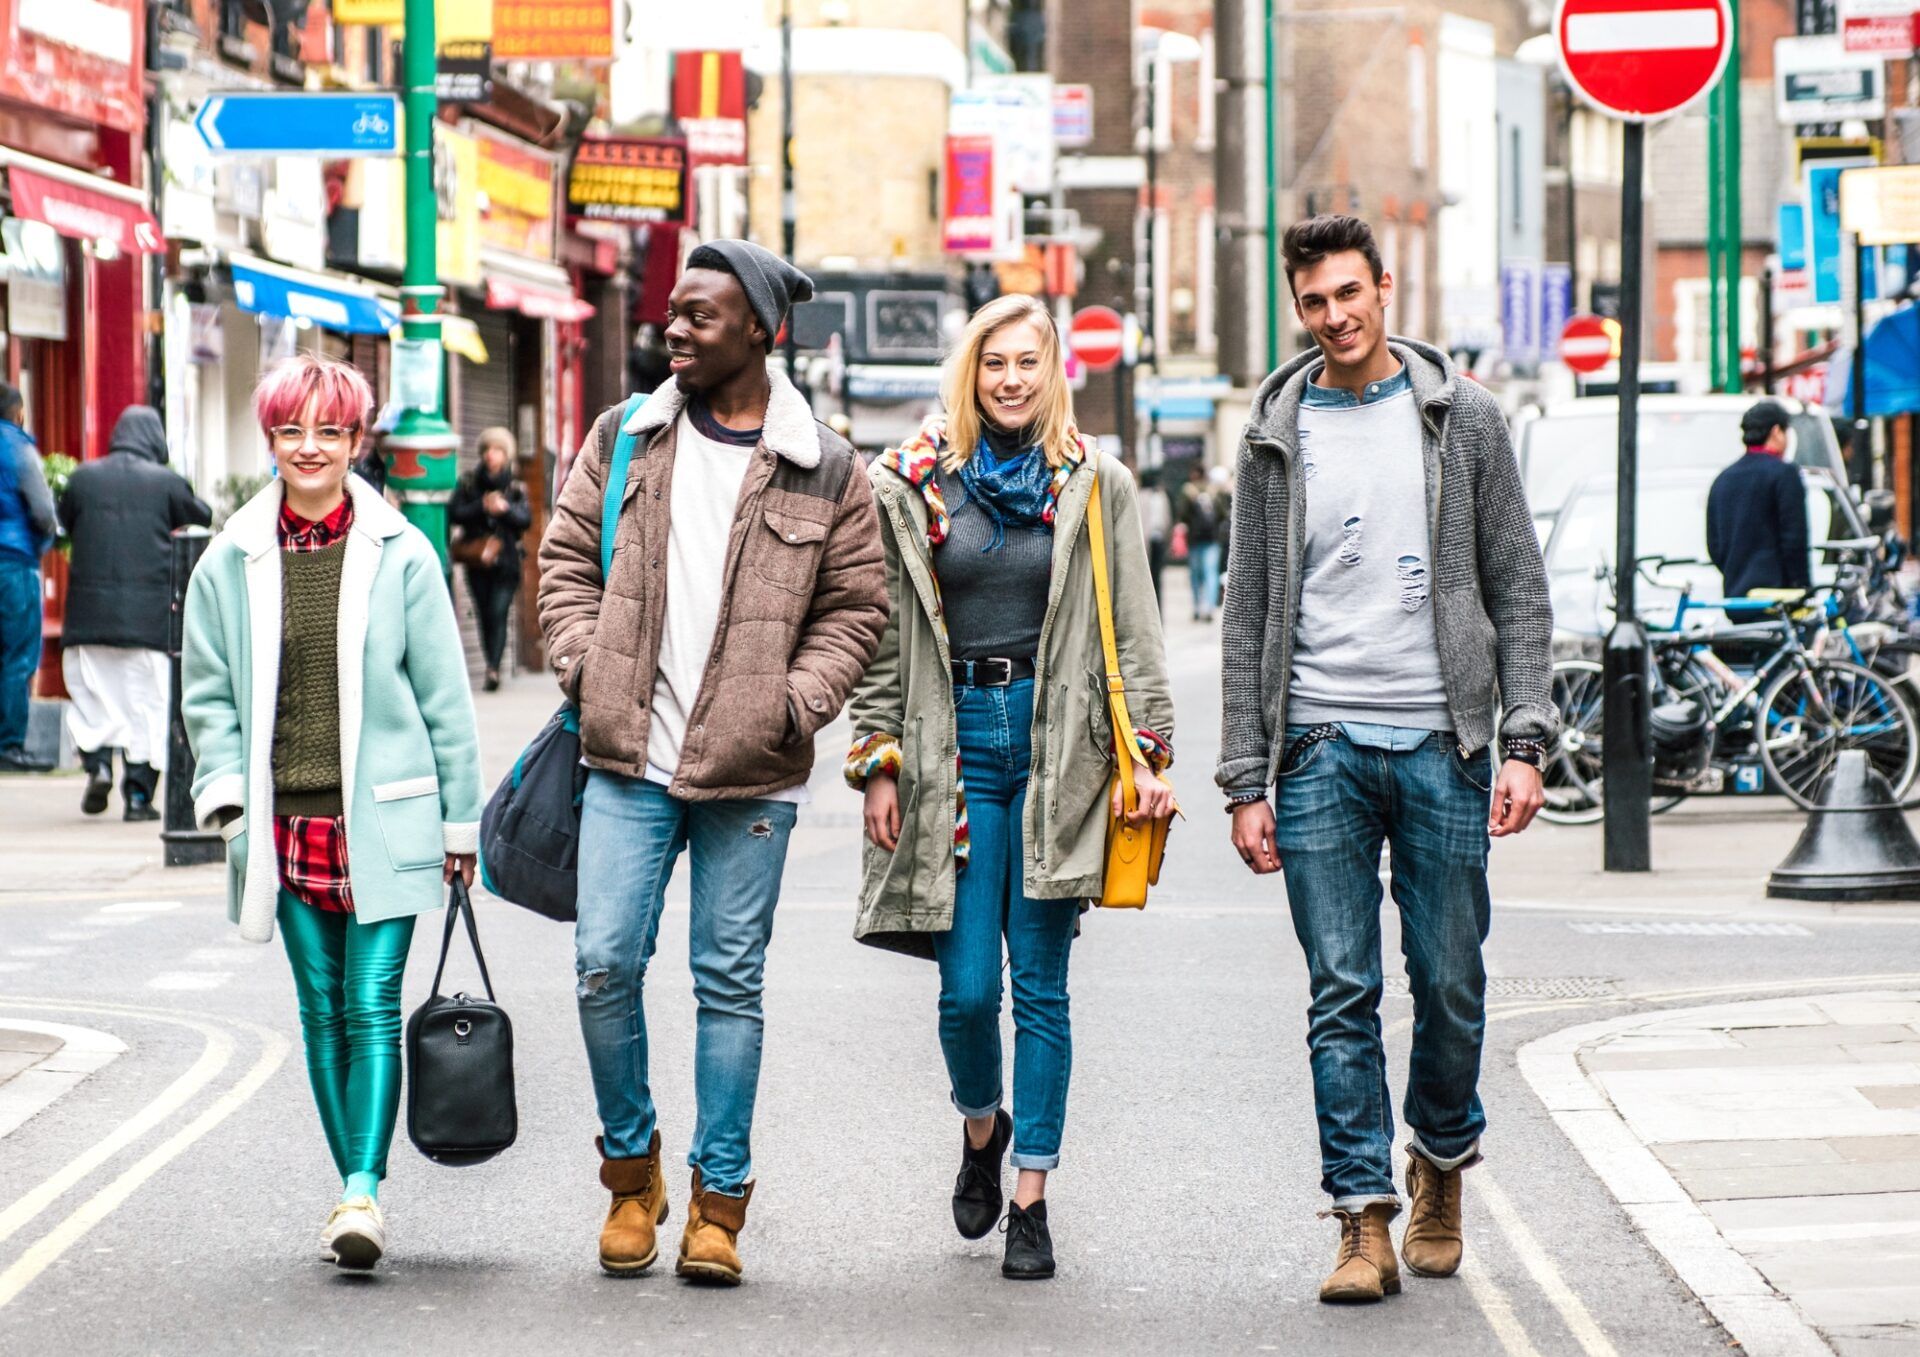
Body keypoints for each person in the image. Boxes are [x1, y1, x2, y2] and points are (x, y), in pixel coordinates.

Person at [1217, 215, 1554, 1305]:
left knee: (1449, 983)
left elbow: (1519, 587)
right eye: (1314, 302)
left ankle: (1441, 1157)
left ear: (1385, 287)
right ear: (1298, 307)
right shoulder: (1274, 430)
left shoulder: (1465, 419)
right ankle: (1361, 1214)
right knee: (1340, 991)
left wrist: (1525, 738)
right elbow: (1249, 609)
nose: (1335, 318)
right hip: (1316, 745)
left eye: (1349, 295)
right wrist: (1243, 778)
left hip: (1445, 742)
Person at [538, 238, 887, 1286]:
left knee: (728, 983)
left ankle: (718, 1203)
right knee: (604, 963)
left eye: (699, 316)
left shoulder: (826, 464)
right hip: (627, 754)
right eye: (674, 314)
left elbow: (856, 606)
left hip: (755, 768)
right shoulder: (626, 436)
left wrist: (798, 703)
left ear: (758, 332)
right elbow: (562, 562)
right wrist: (583, 668)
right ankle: (629, 1171)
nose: (674, 329)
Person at [845, 295, 1175, 1281]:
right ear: (970, 372)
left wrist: (1146, 756)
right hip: (953, 751)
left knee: (1041, 987)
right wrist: (877, 755)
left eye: (1029, 362)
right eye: (995, 363)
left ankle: (1031, 1193)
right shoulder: (910, 482)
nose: (1011, 380)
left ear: (1052, 369)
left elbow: (1138, 631)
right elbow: (880, 633)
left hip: (1058, 749)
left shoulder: (1093, 481)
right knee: (965, 992)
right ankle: (981, 1127)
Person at [182, 355, 482, 1272]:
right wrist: (229, 805)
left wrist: (459, 825)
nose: (308, 448)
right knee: (319, 1011)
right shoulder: (230, 559)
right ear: (271, 439)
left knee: (370, 1003)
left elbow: (445, 699)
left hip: (386, 820)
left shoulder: (402, 553)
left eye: (329, 431)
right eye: (290, 431)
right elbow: (209, 697)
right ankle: (351, 1183)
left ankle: (362, 1189)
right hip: (281, 825)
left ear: (358, 440)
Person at [57, 406, 212, 818]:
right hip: (148, 621)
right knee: (147, 707)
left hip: (88, 617)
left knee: (94, 700)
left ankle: (99, 766)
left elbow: (64, 522)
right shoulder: (166, 484)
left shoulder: (83, 478)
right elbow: (203, 518)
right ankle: (139, 798)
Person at [448, 427, 533, 692]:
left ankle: (493, 669)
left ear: (505, 454)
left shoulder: (515, 487)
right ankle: (490, 663)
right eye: (486, 450)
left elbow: (525, 520)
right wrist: (481, 507)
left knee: (498, 611)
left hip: (506, 563)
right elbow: (454, 513)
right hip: (478, 561)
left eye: (496, 450)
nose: (490, 455)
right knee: (485, 615)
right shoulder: (470, 483)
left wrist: (504, 509)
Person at [0, 383, 56, 773]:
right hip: (14, 563)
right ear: (17, 412)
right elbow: (42, 508)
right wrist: (47, 539)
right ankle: (9, 745)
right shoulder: (19, 448)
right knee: (17, 655)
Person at [1707, 400, 1812, 600]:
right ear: (1776, 432)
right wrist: (1802, 587)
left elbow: (1715, 545)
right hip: (1778, 600)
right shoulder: (1784, 474)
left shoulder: (1723, 478)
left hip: (1737, 600)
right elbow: (1794, 539)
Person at [1178, 460, 1229, 621]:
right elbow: (1222, 515)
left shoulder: (1188, 491)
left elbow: (1182, 514)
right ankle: (1209, 608)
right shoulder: (1214, 492)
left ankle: (1197, 607)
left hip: (1194, 539)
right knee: (1211, 573)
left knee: (1195, 575)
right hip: (1212, 539)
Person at [1137, 468, 1173, 609]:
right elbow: (1166, 519)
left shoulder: (1144, 495)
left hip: (1151, 541)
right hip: (1151, 540)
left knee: (1152, 578)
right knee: (1152, 578)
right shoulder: (1154, 495)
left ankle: (1154, 609)